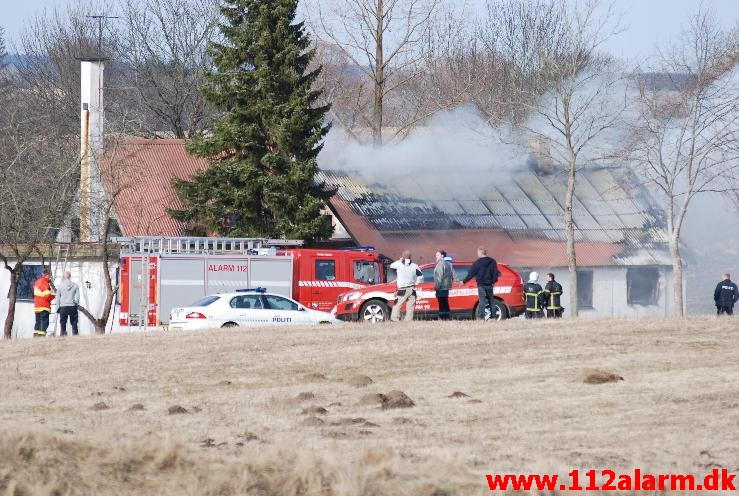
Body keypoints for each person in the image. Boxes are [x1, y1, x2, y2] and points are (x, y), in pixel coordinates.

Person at [463, 246, 499, 320]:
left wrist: (464, 281)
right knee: (491, 300)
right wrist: (493, 282)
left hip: (481, 285)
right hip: (489, 284)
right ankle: (494, 317)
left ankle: (481, 318)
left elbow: (471, 274)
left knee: (482, 301)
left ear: (480, 252)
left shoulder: (477, 263)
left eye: (477, 252)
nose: (477, 254)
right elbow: (495, 274)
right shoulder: (493, 261)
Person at [389, 250, 423, 321]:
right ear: (410, 257)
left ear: (403, 256)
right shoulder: (414, 266)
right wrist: (416, 283)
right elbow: (421, 276)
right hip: (411, 288)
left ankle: (395, 319)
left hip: (402, 289)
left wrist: (400, 260)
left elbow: (391, 265)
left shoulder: (399, 264)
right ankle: (408, 320)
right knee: (410, 306)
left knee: (397, 305)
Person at [33, 268, 55, 337]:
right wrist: (53, 295)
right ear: (48, 275)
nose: (50, 277)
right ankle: (42, 337)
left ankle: (36, 335)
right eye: (50, 275)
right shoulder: (45, 283)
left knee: (38, 322)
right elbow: (47, 296)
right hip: (44, 306)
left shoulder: (36, 282)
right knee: (44, 322)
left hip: (37, 306)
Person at [57, 271, 80, 336]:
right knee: (74, 321)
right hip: (72, 306)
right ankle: (75, 333)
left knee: (63, 322)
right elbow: (78, 297)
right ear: (70, 276)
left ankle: (63, 333)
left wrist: (57, 307)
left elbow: (58, 297)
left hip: (63, 306)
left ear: (63, 277)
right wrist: (76, 303)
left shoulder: (60, 285)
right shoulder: (75, 285)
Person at [434, 250, 455, 320]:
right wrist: (457, 281)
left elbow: (439, 277)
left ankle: (442, 317)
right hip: (447, 287)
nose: (436, 256)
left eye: (437, 255)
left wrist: (437, 287)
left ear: (442, 256)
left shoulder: (440, 264)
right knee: (445, 302)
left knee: (441, 302)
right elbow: (453, 274)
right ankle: (447, 316)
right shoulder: (449, 264)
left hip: (441, 287)